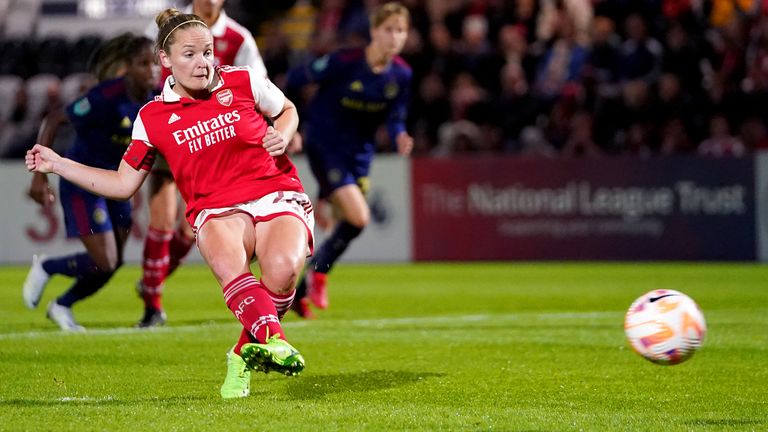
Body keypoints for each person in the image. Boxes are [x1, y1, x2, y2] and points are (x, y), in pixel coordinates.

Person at [25, 9, 311, 399]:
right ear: (166, 60)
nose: (202, 63)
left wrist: (282, 133)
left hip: (274, 190)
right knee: (230, 264)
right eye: (190, 54)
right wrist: (58, 164)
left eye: (207, 52)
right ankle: (274, 341)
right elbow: (124, 183)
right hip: (215, 208)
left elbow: (288, 110)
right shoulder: (153, 117)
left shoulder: (243, 80)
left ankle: (242, 353)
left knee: (282, 272)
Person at [136, 0, 269, 328]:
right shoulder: (161, 29)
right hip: (170, 131)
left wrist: (272, 129)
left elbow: (259, 87)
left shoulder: (239, 39)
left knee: (188, 228)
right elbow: (138, 71)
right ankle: (153, 305)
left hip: (213, 139)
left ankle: (154, 279)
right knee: (163, 219)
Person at [285, 1, 414, 318]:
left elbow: (396, 115)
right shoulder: (345, 60)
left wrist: (399, 134)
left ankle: (301, 292)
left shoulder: (402, 74)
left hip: (360, 154)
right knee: (359, 217)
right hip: (324, 143)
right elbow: (297, 79)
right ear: (373, 31)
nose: (394, 37)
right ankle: (320, 274)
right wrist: (289, 122)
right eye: (388, 30)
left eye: (400, 31)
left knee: (349, 224)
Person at [22, 34, 157, 331]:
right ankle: (48, 266)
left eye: (155, 63)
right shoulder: (105, 96)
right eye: (143, 64)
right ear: (127, 66)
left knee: (114, 261)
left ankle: (62, 305)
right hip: (83, 180)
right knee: (106, 260)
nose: (151, 71)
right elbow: (56, 118)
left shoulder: (156, 99)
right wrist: (39, 176)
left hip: (116, 183)